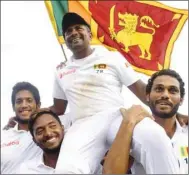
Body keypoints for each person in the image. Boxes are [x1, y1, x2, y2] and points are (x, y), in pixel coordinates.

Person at [47, 12, 181, 174]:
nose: (73, 33)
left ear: (89, 34)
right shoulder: (61, 70)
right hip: (82, 125)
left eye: (78, 28)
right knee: (66, 170)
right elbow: (58, 108)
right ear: (65, 41)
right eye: (68, 31)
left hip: (116, 118)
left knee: (154, 137)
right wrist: (31, 116)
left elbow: (141, 91)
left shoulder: (111, 57)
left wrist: (175, 113)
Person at [16, 106, 151, 174]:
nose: (48, 133)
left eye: (52, 126)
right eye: (40, 131)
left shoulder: (91, 156)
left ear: (63, 129)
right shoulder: (27, 169)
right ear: (34, 140)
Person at [103, 69, 188, 174]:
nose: (165, 95)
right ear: (147, 96)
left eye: (172, 90)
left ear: (181, 100)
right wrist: (128, 122)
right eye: (159, 89)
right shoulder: (132, 131)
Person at [1, 82, 42, 174]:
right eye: (19, 101)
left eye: (29, 100)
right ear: (13, 107)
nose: (24, 105)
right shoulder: (3, 136)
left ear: (38, 105)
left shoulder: (49, 131)